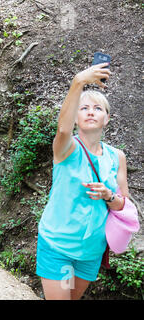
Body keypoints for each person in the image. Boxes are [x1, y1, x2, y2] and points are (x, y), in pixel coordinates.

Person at [36, 62, 130, 299]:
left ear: (107, 118)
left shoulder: (117, 157)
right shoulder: (66, 149)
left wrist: (109, 196)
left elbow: (123, 206)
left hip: (91, 250)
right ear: (75, 117)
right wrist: (78, 81)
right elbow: (63, 131)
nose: (90, 111)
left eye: (97, 108)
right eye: (83, 108)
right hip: (58, 244)